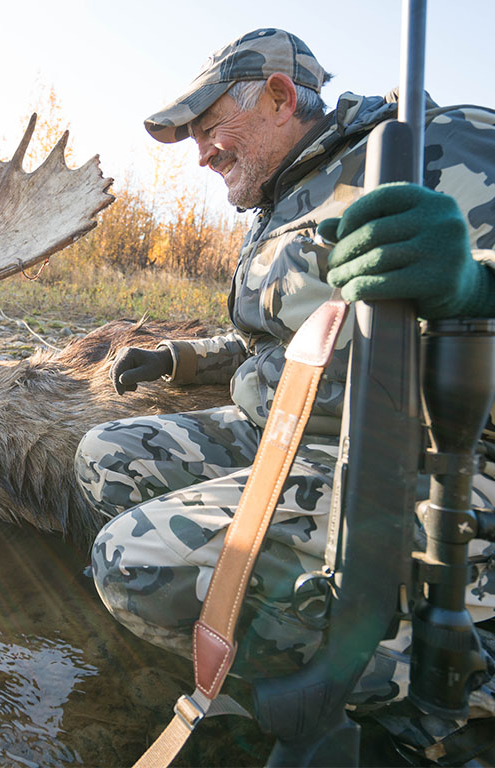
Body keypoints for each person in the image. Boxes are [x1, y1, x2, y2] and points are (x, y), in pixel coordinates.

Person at [75, 28, 495, 759]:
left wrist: (471, 291)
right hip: (292, 431)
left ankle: (431, 674)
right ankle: (280, 630)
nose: (201, 153)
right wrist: (179, 359)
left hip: (424, 455)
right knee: (107, 457)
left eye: (209, 129)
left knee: (131, 560)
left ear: (276, 97)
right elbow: (270, 339)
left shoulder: (441, 142)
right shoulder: (279, 198)